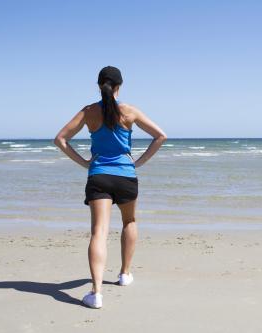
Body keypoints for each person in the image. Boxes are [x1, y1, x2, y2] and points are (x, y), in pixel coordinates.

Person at [54, 66, 167, 308]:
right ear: (119, 87)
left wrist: (85, 163)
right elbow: (160, 136)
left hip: (99, 176)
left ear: (99, 86)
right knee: (129, 222)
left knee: (99, 232)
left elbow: (60, 139)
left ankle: (95, 293)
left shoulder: (89, 111)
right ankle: (125, 274)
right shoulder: (129, 110)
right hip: (126, 176)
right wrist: (138, 162)